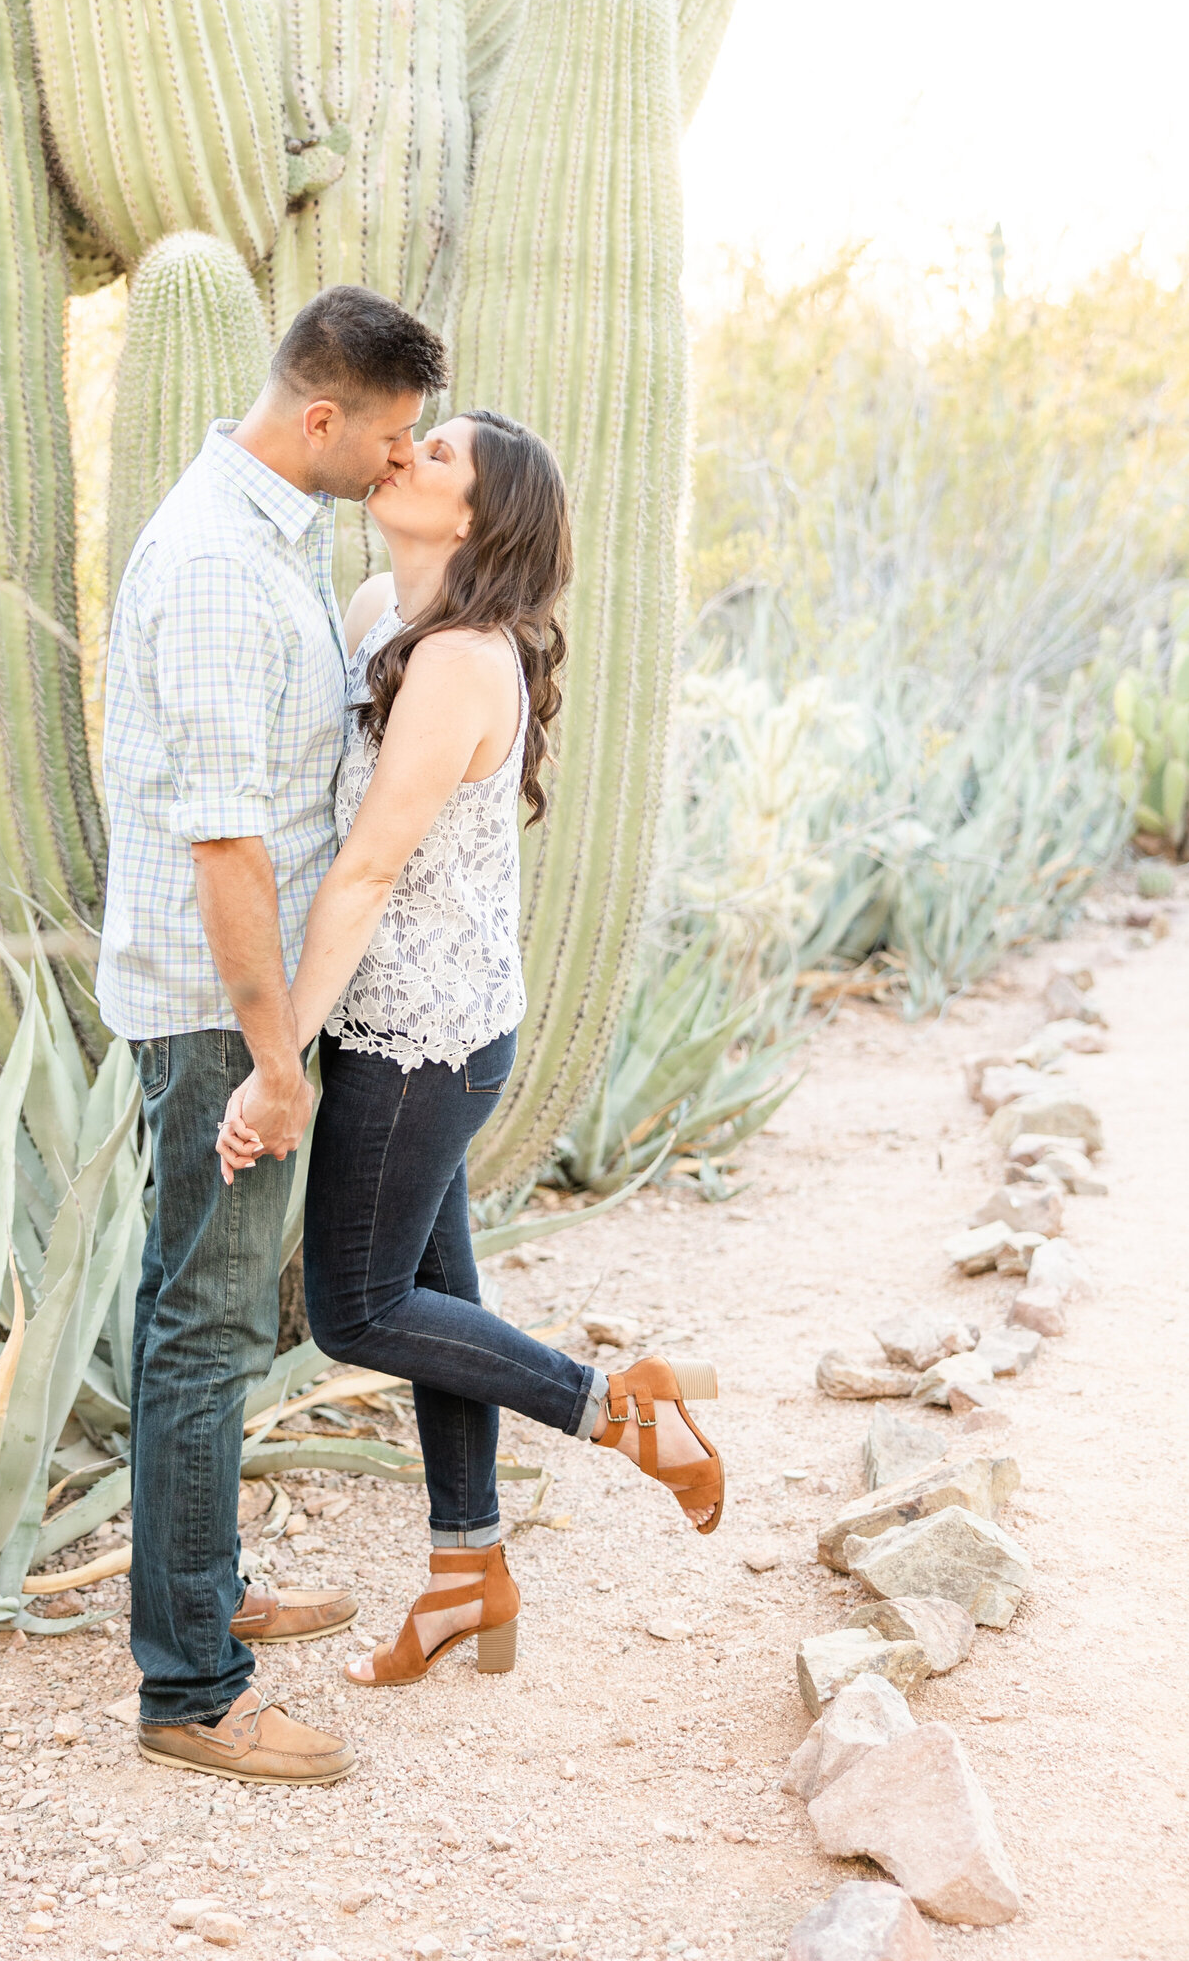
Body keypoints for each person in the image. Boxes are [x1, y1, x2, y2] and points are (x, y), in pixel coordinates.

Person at [219, 408, 723, 1688]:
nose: (408, 454)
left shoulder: (459, 661)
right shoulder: (369, 611)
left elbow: (371, 863)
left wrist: (279, 1055)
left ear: (476, 518)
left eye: (440, 455)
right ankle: (466, 1575)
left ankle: (616, 1404)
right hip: (412, 1019)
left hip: (419, 1040)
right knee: (438, 1305)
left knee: (361, 1308)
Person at [97, 284, 449, 1781]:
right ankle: (191, 1689)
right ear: (323, 418)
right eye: (392, 436)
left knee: (201, 1302)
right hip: (215, 1013)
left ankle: (204, 1586)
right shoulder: (225, 571)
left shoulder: (258, 530)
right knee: (209, 1322)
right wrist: (277, 1059)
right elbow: (228, 849)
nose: (397, 462)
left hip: (223, 1004)